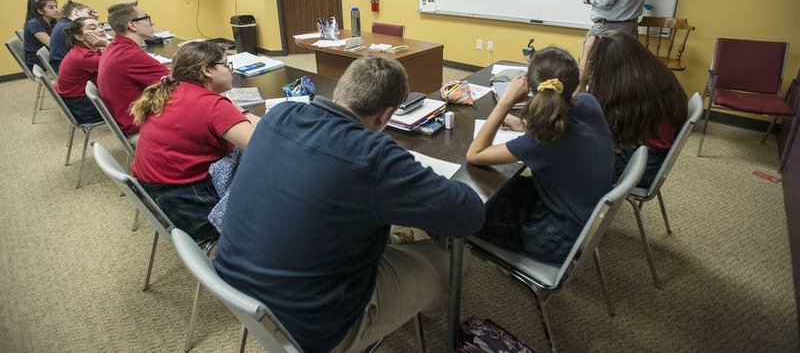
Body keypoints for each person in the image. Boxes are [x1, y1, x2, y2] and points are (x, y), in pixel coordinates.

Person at [214, 56, 484, 353]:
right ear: (385, 117)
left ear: (341, 91)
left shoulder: (281, 114)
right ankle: (423, 310)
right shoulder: (375, 156)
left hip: (234, 290)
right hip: (314, 327)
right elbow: (469, 214)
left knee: (377, 229)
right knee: (457, 260)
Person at [467, 47, 614, 263]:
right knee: (497, 187)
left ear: (530, 88)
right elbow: (563, 117)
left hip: (559, 237)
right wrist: (523, 124)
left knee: (462, 210)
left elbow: (475, 154)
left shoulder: (546, 139)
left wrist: (506, 102)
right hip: (580, 211)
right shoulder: (588, 102)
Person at [130, 41, 257, 246]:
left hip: (161, 200)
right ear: (207, 70)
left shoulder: (170, 91)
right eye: (226, 65)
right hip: (194, 209)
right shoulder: (212, 105)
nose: (230, 71)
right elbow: (263, 148)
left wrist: (238, 111)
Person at [580, 30, 688, 189]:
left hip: (641, 168)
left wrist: (582, 74)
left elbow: (581, 113)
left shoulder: (627, 91)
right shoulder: (647, 75)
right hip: (647, 153)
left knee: (571, 154)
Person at [97, 0, 169, 138]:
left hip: (128, 118)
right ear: (132, 25)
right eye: (147, 18)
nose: (152, 22)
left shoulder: (114, 46)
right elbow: (177, 83)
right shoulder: (130, 55)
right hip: (142, 127)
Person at [53, 17, 109, 124]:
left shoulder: (82, 50)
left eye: (100, 26)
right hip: (83, 108)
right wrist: (107, 44)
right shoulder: (85, 57)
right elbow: (122, 62)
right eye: (93, 28)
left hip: (77, 100)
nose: (101, 30)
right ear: (79, 36)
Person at [49, 0, 97, 73]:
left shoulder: (63, 23)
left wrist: (93, 23)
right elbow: (94, 43)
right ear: (76, 12)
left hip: (62, 64)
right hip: (67, 68)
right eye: (88, 13)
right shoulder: (69, 27)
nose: (90, 16)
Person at [22, 0, 59, 69]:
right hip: (37, 60)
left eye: (56, 6)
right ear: (40, 11)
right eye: (51, 7)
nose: (56, 10)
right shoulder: (34, 24)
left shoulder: (52, 21)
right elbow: (52, 45)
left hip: (48, 55)